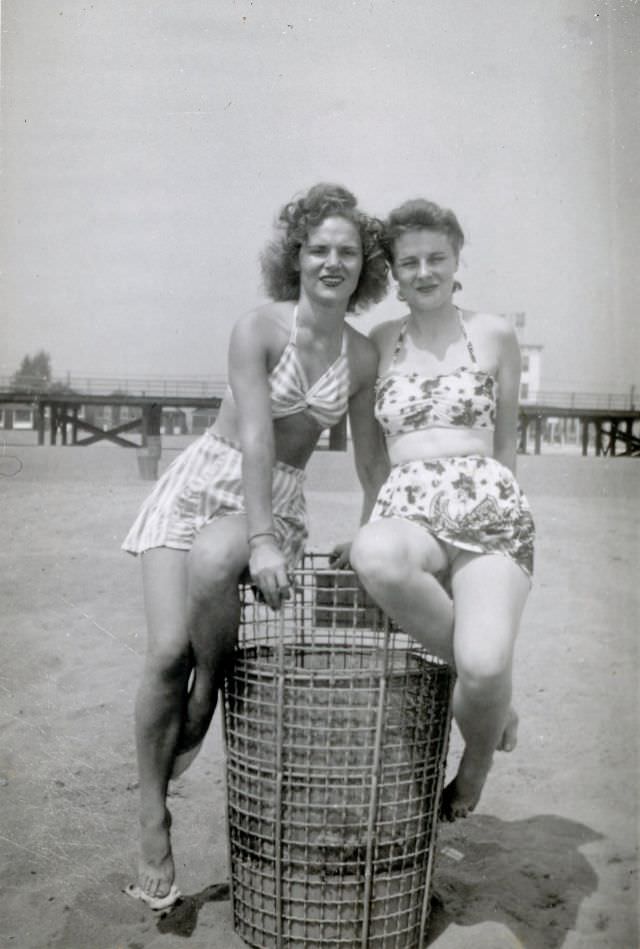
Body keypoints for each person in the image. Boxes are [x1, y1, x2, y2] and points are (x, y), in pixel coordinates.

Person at [121, 183, 389, 908]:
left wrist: (371, 529)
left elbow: (371, 459)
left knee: (215, 564)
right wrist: (261, 540)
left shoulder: (362, 355)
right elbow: (254, 437)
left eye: (349, 252)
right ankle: (153, 817)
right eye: (319, 248)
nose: (333, 262)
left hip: (281, 495)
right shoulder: (257, 328)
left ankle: (206, 696)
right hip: (205, 479)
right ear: (296, 254)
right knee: (164, 650)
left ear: (366, 267)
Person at [347, 198, 535, 823]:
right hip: (408, 507)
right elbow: (372, 461)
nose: (423, 272)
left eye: (437, 258)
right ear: (393, 274)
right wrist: (369, 518)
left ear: (457, 261)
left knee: (482, 668)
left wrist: (500, 510)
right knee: (373, 551)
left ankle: (475, 761)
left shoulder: (495, 334)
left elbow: (505, 444)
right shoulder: (376, 344)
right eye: (409, 262)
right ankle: (495, 699)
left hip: (489, 509)